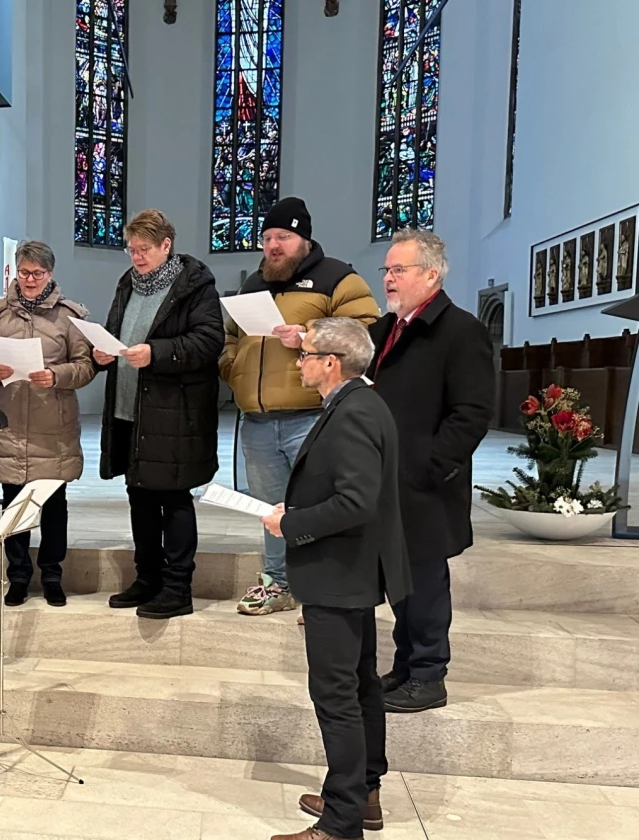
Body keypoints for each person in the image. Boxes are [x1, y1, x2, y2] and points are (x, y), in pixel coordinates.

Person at [259, 318, 411, 840]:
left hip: (339, 572)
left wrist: (291, 524)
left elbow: (356, 501)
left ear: (331, 362)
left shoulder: (353, 412)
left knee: (337, 697)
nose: (298, 362)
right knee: (360, 686)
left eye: (306, 355)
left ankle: (341, 823)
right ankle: (361, 794)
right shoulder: (357, 405)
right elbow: (345, 489)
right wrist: (297, 505)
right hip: (349, 569)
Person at [220, 197, 379, 618]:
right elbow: (232, 337)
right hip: (257, 419)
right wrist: (232, 367)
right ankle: (277, 583)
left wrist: (310, 335)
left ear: (303, 239)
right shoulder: (253, 283)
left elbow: (364, 330)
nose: (273, 246)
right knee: (271, 509)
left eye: (283, 237)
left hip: (314, 417)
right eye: (267, 238)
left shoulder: (339, 278)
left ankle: (328, 586)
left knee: (319, 506)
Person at [368, 229, 494, 713]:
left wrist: (427, 467)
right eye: (386, 270)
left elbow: (472, 412)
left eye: (399, 270)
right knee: (400, 581)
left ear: (431, 274)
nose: (389, 279)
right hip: (386, 479)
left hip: (423, 484)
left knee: (423, 580)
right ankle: (405, 666)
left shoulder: (460, 331)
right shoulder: (388, 328)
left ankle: (429, 674)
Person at [95, 209, 224, 620]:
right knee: (140, 498)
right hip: (130, 410)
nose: (136, 256)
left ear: (167, 246)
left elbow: (208, 341)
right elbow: (119, 335)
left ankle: (177, 587)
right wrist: (103, 354)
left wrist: (157, 352)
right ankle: (147, 578)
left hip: (174, 414)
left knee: (174, 498)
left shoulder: (195, 287)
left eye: (144, 249)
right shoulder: (127, 285)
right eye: (131, 249)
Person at [0, 240, 95, 607]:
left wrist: (56, 375)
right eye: (24, 272)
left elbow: (86, 366)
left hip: (52, 427)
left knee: (53, 505)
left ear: (51, 274)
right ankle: (18, 576)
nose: (30, 279)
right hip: (11, 423)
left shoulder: (69, 315)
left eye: (37, 273)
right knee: (14, 505)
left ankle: (52, 575)